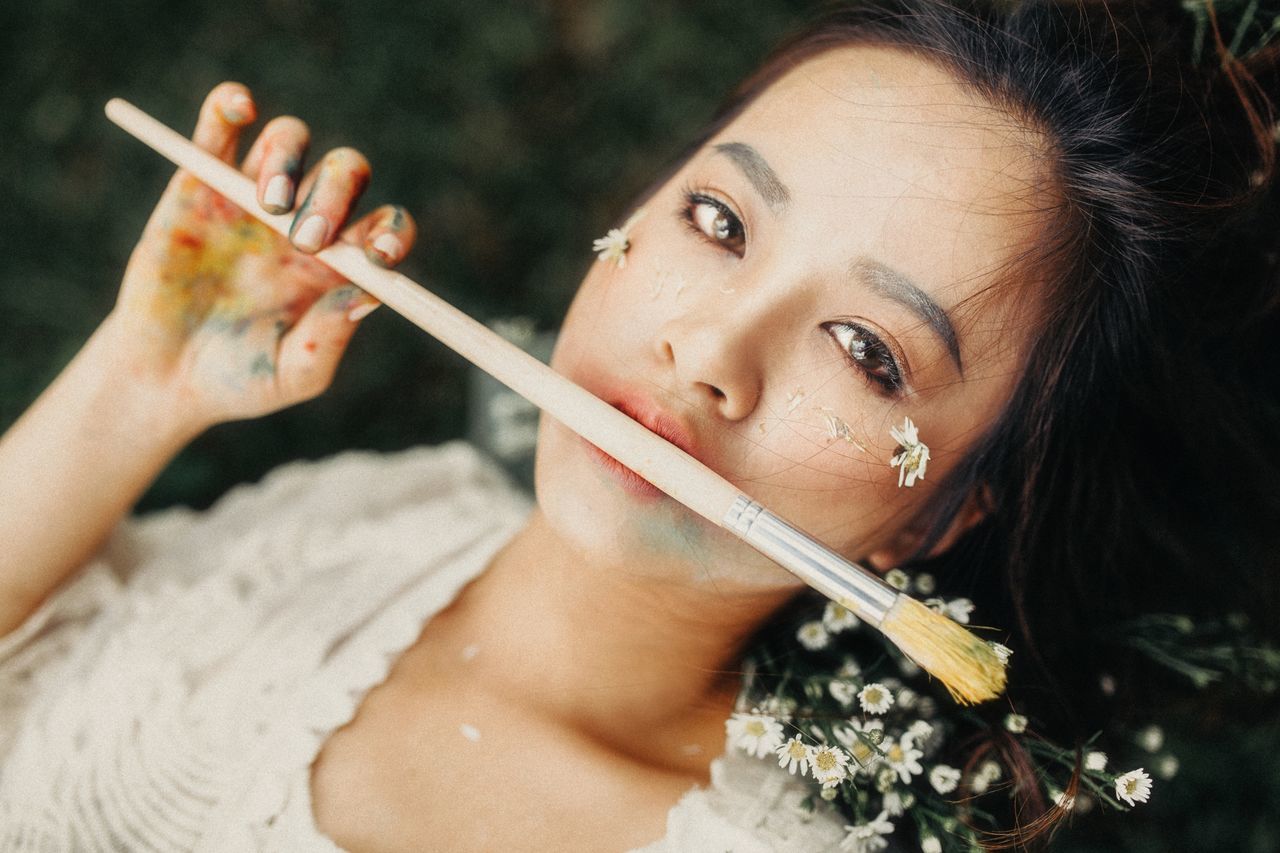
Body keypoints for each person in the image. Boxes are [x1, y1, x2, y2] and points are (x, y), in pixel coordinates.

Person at [2, 0, 1277, 850]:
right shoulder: (390, 510)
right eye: (719, 222)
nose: (708, 352)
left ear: (944, 507)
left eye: (865, 351)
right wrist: (135, 392)